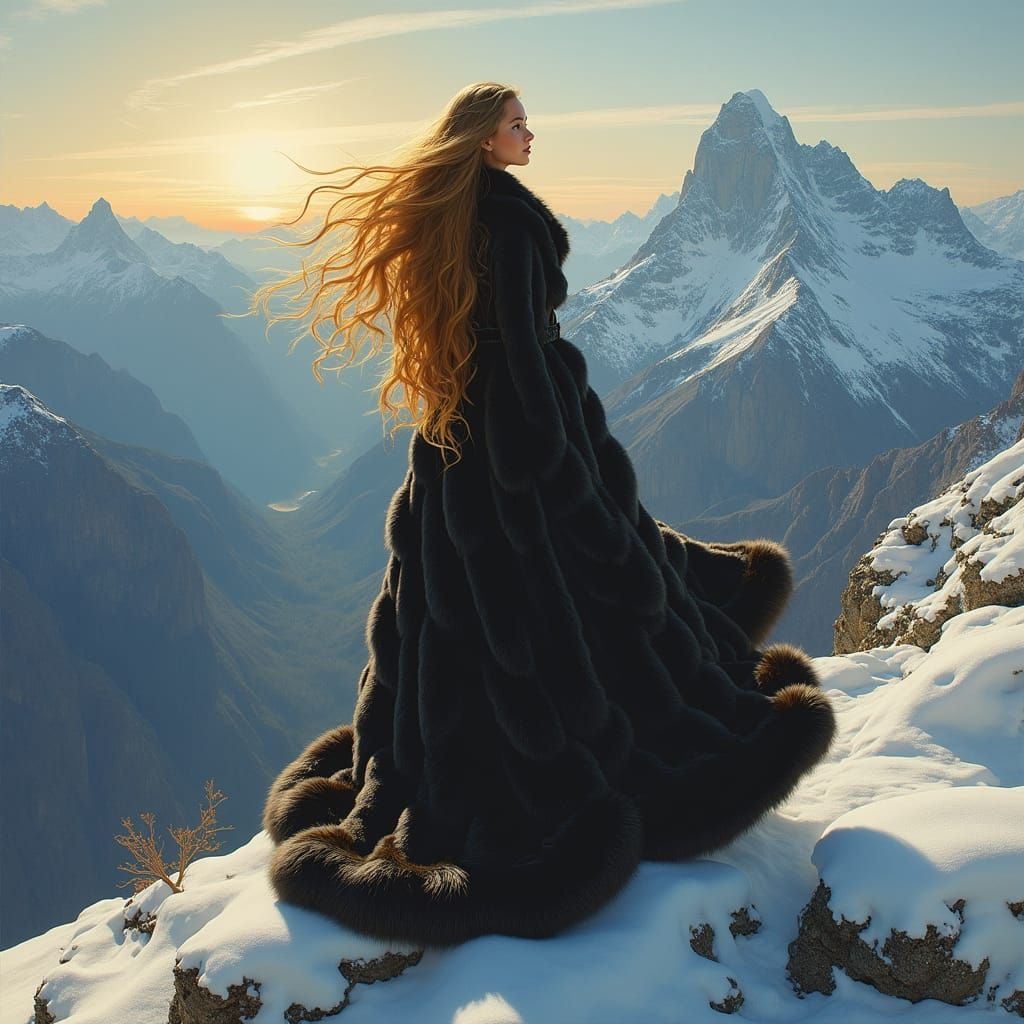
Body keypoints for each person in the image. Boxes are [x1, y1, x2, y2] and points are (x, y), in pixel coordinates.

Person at [252, 82, 836, 949]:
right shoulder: (510, 224)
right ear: (484, 141)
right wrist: (564, 477)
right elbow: (525, 355)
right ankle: (559, 745)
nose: (533, 135)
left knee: (461, 608)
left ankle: (453, 747)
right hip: (521, 444)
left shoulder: (454, 216)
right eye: (518, 125)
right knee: (565, 594)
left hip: (453, 446)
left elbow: (486, 342)